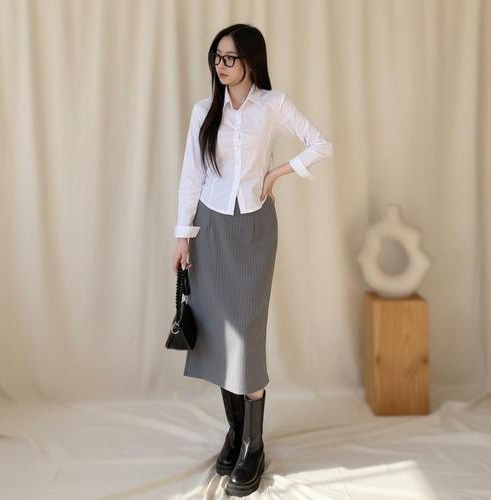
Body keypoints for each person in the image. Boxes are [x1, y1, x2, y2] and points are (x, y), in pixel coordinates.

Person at [171, 23, 333, 497]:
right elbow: (191, 177)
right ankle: (236, 432)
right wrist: (182, 237)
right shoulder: (204, 111)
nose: (221, 65)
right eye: (217, 57)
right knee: (219, 333)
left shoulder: (273, 104)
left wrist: (277, 173)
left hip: (255, 228)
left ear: (250, 61)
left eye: (230, 58)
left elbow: (320, 144)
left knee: (246, 333)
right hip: (209, 227)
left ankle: (253, 445)